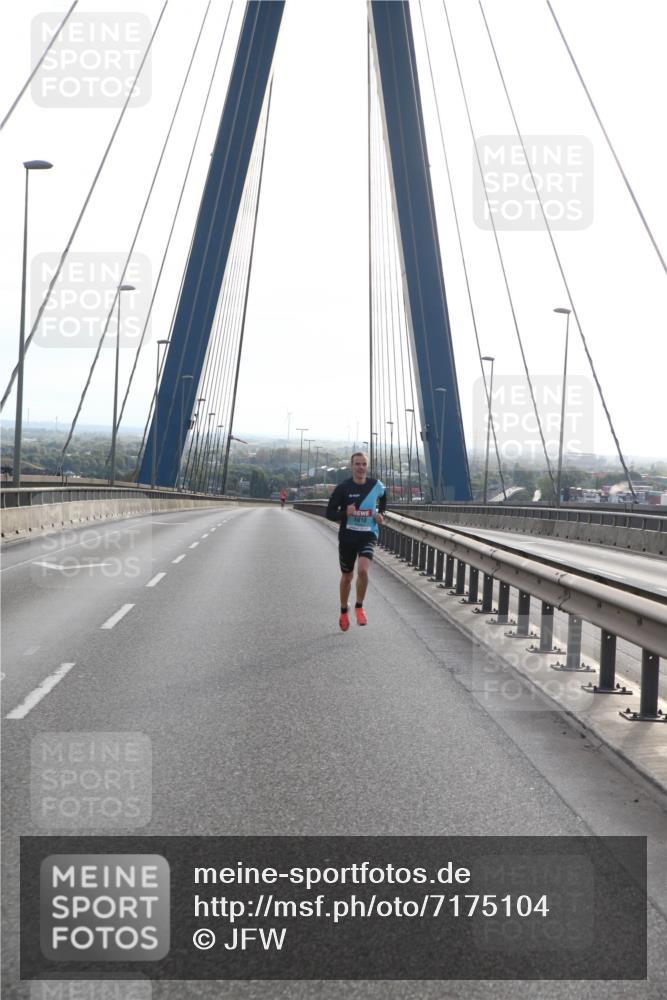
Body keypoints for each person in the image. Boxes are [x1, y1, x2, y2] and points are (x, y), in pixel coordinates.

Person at [326, 451, 386, 631]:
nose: (361, 467)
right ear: (352, 466)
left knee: (362, 570)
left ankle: (359, 607)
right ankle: (344, 611)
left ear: (367, 467)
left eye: (364, 464)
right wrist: (346, 512)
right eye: (357, 464)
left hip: (368, 534)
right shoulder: (343, 488)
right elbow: (329, 513)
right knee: (347, 577)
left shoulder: (375, 485)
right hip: (348, 537)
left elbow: (384, 496)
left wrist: (381, 513)